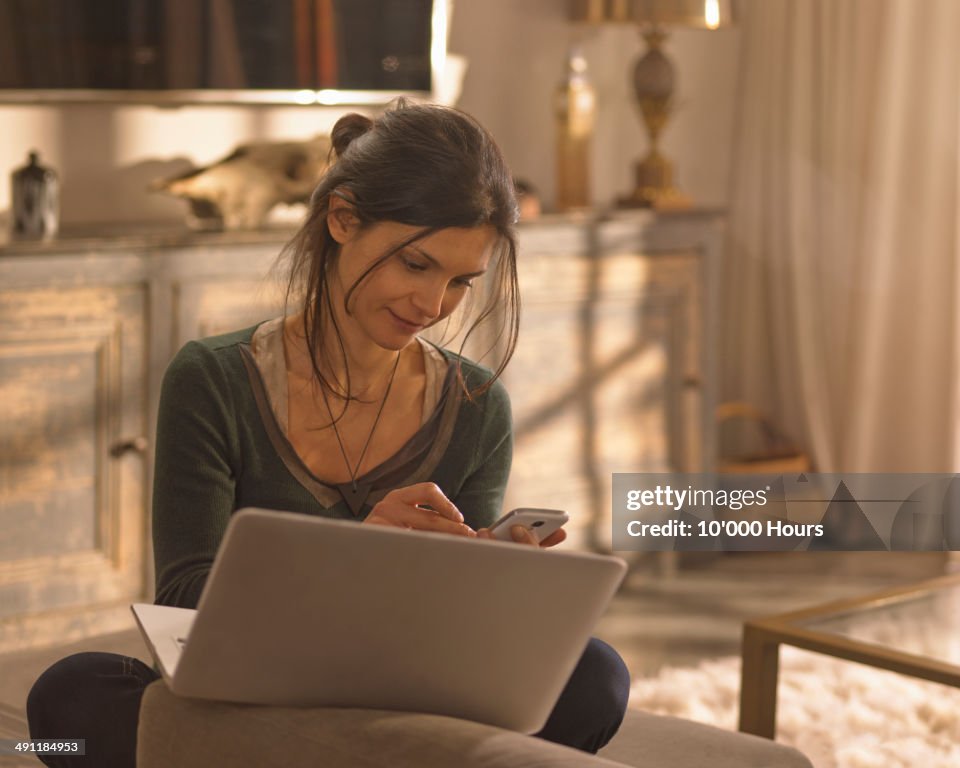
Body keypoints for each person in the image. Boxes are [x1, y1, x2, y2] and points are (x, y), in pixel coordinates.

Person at [25, 101, 629, 767]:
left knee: (595, 675)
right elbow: (182, 601)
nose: (432, 307)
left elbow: (451, 641)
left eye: (460, 282)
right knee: (71, 697)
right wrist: (356, 553)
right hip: (249, 699)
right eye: (416, 265)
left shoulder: (477, 405)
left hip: (405, 701)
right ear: (343, 219)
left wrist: (494, 578)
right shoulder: (213, 380)